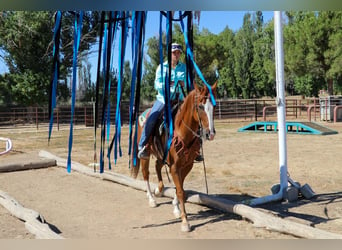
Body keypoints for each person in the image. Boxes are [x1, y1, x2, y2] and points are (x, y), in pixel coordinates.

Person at [137, 43, 186, 159]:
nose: (177, 55)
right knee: (152, 118)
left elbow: (186, 82)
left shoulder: (183, 67)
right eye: (174, 53)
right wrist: (167, 85)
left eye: (178, 53)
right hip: (163, 99)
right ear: (170, 54)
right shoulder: (162, 67)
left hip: (179, 99)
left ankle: (195, 148)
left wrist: (183, 84)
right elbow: (156, 84)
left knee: (193, 115)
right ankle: (143, 145)